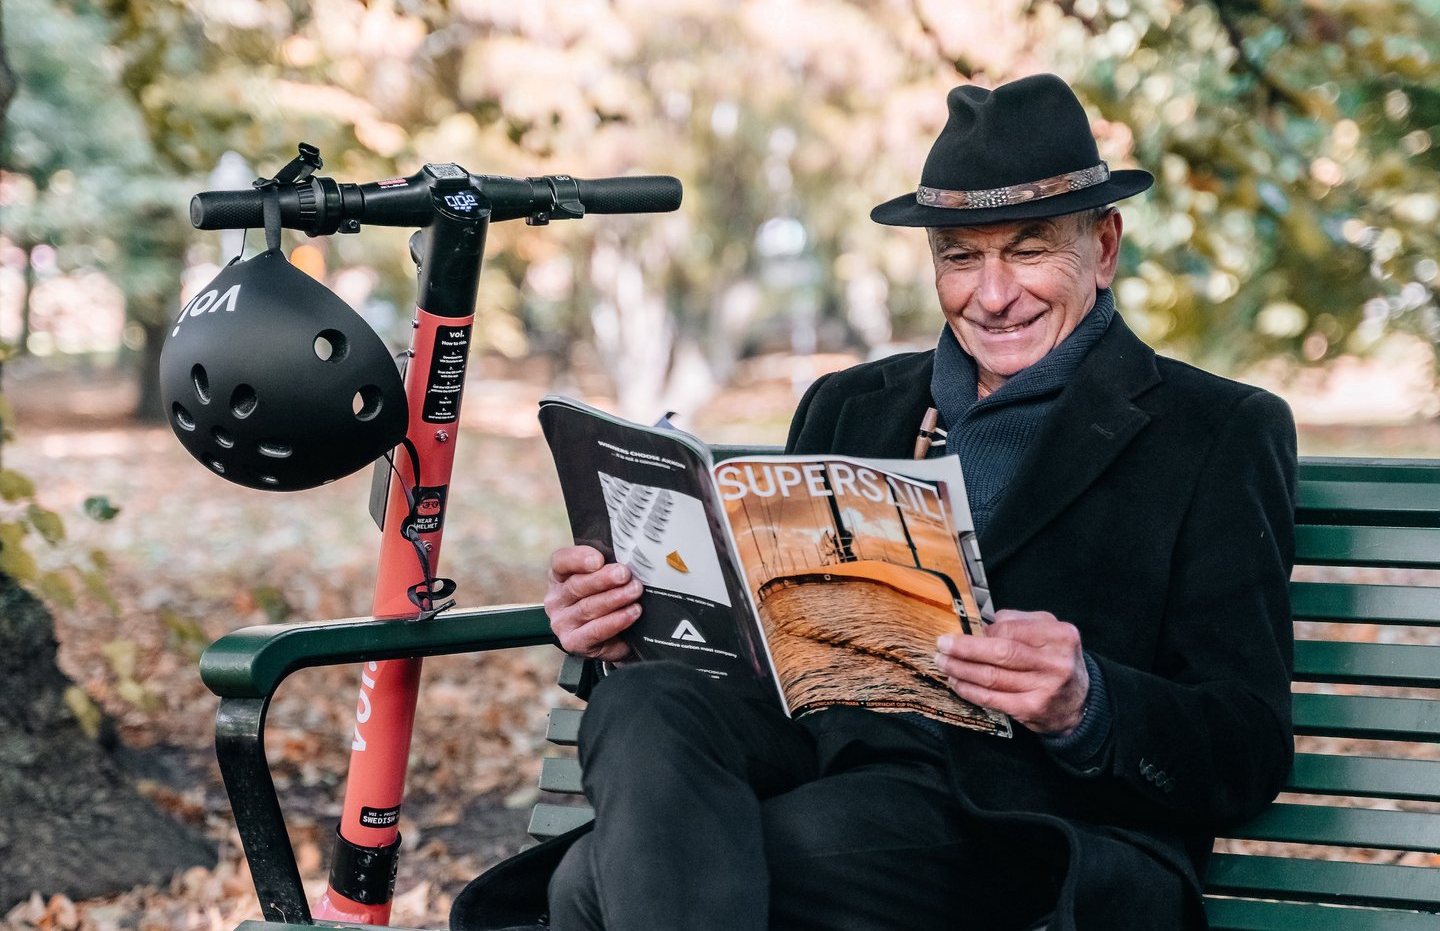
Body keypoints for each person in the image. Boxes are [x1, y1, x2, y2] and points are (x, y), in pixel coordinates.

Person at [454, 73, 1297, 931]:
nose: (994, 293)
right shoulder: (850, 404)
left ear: (1104, 245)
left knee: (592, 884)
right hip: (825, 756)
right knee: (640, 702)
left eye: (1030, 249)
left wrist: (1087, 701)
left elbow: (1246, 741)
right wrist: (634, 630)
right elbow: (771, 644)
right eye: (961, 257)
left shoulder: (1217, 431)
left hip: (1026, 823)